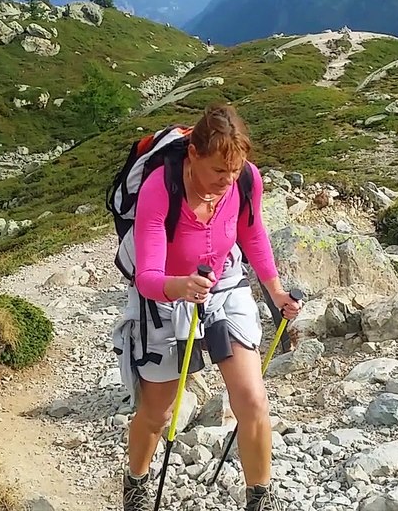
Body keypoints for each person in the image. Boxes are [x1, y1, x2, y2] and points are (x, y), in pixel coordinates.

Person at [112, 102, 300, 511]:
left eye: (235, 170)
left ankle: (259, 499)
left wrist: (275, 291)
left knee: (252, 400)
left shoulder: (246, 179)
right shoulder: (161, 188)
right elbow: (147, 276)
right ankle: (135, 482)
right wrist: (180, 286)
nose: (227, 180)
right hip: (165, 298)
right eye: (218, 170)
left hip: (225, 286)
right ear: (193, 154)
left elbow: (252, 233)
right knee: (158, 413)